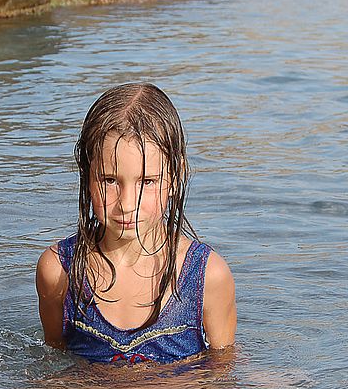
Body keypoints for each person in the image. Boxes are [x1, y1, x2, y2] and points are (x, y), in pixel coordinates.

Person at [35, 82, 236, 364]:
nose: (127, 204)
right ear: (86, 175)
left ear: (175, 178)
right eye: (109, 181)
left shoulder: (208, 276)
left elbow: (222, 374)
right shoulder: (59, 270)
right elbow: (54, 359)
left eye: (147, 182)